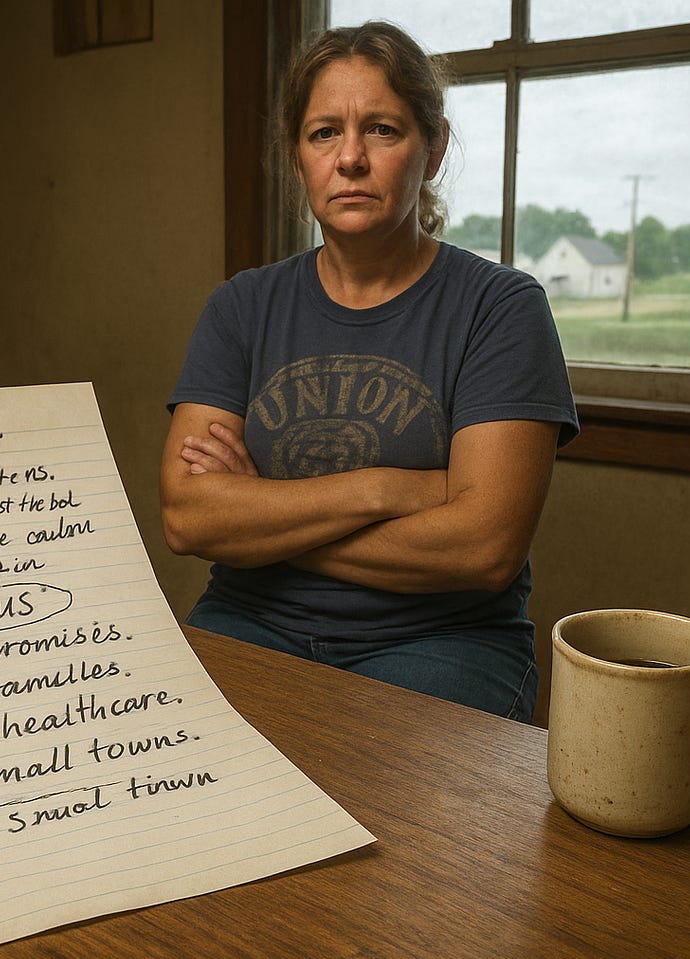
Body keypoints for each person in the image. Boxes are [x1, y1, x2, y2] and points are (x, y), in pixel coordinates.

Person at [160, 20, 578, 721]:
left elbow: (484, 546)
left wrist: (263, 514)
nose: (350, 158)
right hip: (249, 618)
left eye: (382, 130)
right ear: (297, 157)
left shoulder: (501, 308)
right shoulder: (241, 307)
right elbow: (187, 517)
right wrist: (389, 488)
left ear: (433, 149)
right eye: (324, 132)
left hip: (443, 641)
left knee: (373, 782)